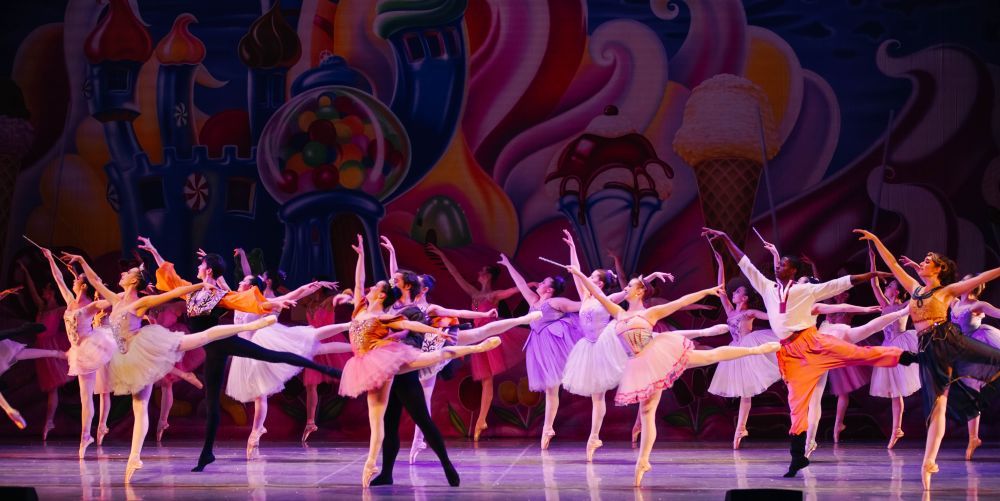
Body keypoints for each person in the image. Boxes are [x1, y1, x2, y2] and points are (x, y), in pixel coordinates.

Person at [704, 227, 914, 479]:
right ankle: (798, 457)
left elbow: (842, 284)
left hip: (812, 341)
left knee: (860, 353)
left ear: (794, 271)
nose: (778, 265)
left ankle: (911, 357)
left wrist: (871, 274)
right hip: (790, 353)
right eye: (778, 263)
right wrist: (727, 238)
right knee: (797, 404)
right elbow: (745, 264)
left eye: (782, 263)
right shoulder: (768, 288)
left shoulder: (806, 290)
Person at [65, 251, 277, 482]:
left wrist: (201, 287)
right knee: (140, 407)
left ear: (134, 281)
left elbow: (175, 293)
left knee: (202, 337)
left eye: (128, 272)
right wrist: (82, 260)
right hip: (127, 358)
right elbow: (95, 281)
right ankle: (135, 456)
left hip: (145, 348)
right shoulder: (115, 300)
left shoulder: (141, 302)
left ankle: (251, 326)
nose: (123, 273)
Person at [138, 236, 341, 473]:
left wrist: (281, 301)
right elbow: (170, 278)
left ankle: (326, 369)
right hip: (211, 349)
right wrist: (153, 250)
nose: (197, 267)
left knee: (273, 355)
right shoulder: (191, 292)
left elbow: (254, 302)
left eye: (201, 265)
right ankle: (207, 453)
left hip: (226, 340)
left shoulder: (221, 296)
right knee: (212, 402)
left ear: (209, 270)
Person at [566, 264, 779, 486]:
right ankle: (643, 461)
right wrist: (579, 274)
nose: (625, 289)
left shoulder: (650, 312)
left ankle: (755, 350)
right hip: (638, 365)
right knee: (647, 413)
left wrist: (706, 291)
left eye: (630, 286)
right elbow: (598, 296)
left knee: (709, 357)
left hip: (658, 354)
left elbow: (681, 302)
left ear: (639, 292)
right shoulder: (617, 311)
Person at [342, 234, 504, 487]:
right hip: (382, 368)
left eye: (395, 280)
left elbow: (411, 315)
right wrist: (365, 255)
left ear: (403, 286)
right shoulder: (381, 305)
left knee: (423, 419)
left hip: (400, 364)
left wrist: (437, 331)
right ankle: (387, 473)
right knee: (389, 422)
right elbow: (366, 283)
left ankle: (446, 463)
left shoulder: (402, 307)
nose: (389, 279)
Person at [425, 243, 530, 441]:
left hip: (489, 336)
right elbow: (455, 274)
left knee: (487, 381)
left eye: (482, 272)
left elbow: (516, 290)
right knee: (484, 381)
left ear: (489, 275)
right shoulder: (474, 293)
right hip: (476, 336)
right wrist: (441, 254)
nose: (478, 273)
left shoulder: (494, 295)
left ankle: (481, 420)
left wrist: (530, 286)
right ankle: (481, 421)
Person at [497, 252, 583, 449]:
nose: (539, 284)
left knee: (552, 389)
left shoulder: (556, 302)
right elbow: (520, 283)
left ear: (550, 289)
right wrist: (508, 264)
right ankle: (548, 428)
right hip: (538, 347)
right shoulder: (534, 301)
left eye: (544, 282)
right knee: (549, 390)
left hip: (552, 347)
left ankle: (547, 428)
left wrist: (584, 280)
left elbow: (581, 305)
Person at [38, 246, 116, 457]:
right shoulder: (70, 301)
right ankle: (87, 436)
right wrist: (49, 259)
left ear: (83, 285)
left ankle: (85, 436)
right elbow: (59, 279)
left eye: (76, 280)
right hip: (77, 350)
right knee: (84, 398)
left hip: (90, 349)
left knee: (88, 396)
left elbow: (110, 299)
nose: (72, 281)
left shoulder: (91, 305)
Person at [704, 242, 779, 449]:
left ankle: (740, 429)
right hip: (734, 349)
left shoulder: (749, 313)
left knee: (746, 392)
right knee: (741, 392)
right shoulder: (731, 312)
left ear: (744, 298)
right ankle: (740, 429)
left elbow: (771, 317)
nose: (733, 294)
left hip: (747, 348)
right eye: (734, 292)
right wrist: (720, 265)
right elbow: (721, 291)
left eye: (737, 292)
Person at [867, 249, 920, 450]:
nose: (886, 287)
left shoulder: (905, 304)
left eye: (890, 285)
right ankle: (897, 429)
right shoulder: (883, 304)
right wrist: (872, 259)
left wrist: (914, 270)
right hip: (887, 348)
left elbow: (918, 292)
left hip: (900, 346)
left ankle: (896, 429)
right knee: (894, 393)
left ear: (896, 291)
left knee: (898, 390)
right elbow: (874, 282)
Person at [948, 274, 1000, 460]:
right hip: (960, 350)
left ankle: (973, 438)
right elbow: (931, 293)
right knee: (967, 393)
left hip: (979, 348)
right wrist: (915, 268)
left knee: (972, 392)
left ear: (973, 285)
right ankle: (973, 437)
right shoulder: (954, 302)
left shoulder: (978, 305)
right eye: (961, 280)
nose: (961, 283)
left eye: (965, 281)